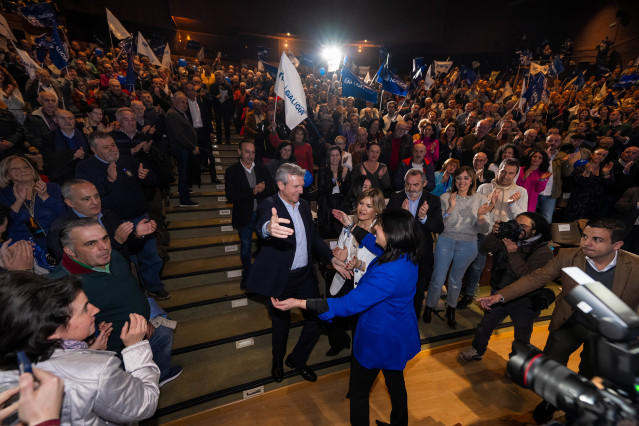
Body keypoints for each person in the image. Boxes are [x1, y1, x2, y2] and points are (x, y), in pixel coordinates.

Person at [478, 218, 639, 423]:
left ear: (617, 245)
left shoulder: (635, 266)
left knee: (589, 376)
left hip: (605, 335)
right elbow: (536, 278)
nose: (586, 243)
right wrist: (500, 296)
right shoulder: (568, 255)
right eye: (585, 236)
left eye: (597, 239)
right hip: (568, 323)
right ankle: (551, 401)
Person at [272, 208, 422, 426]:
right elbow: (373, 243)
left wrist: (299, 303)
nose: (375, 228)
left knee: (359, 391)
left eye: (379, 226)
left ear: (392, 234)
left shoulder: (388, 273)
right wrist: (352, 226)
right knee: (396, 383)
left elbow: (347, 304)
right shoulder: (406, 254)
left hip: (379, 340)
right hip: (398, 334)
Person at [0, 272, 160, 424]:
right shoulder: (99, 371)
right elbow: (145, 402)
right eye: (84, 309)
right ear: (51, 331)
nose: (95, 310)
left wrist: (90, 351)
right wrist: (136, 347)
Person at [245, 163, 348, 383]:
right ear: (281, 185)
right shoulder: (269, 204)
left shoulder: (302, 206)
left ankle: (297, 359)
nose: (301, 191)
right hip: (282, 279)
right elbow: (263, 224)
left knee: (317, 318)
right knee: (281, 325)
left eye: (302, 186)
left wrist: (332, 260)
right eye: (296, 186)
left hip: (304, 276)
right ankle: (277, 362)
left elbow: (314, 238)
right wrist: (267, 229)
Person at [49, 218, 182, 387]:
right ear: (71, 251)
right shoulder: (62, 286)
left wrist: (143, 320)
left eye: (105, 238)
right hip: (117, 353)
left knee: (164, 334)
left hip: (144, 329)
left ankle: (161, 376)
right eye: (91, 243)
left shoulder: (113, 257)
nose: (104, 247)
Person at [458, 212, 554, 362]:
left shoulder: (544, 252)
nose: (517, 228)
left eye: (522, 226)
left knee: (521, 336)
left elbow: (530, 279)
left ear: (534, 231)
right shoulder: (510, 238)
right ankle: (477, 350)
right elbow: (485, 248)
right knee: (485, 326)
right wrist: (494, 233)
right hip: (499, 293)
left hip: (525, 300)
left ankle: (516, 363)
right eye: (515, 224)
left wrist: (514, 254)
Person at [424, 166, 493, 328]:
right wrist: (450, 208)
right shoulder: (446, 197)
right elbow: (440, 225)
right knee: (438, 278)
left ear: (472, 181)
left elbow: (485, 229)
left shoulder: (481, 200)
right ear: (455, 180)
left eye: (466, 178)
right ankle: (429, 306)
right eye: (459, 178)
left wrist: (481, 216)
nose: (462, 181)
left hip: (468, 244)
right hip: (446, 241)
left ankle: (451, 310)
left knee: (456, 281)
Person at [458, 158, 529, 309]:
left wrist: (512, 204)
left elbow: (522, 219)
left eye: (511, 173)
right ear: (498, 170)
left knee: (500, 269)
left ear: (516, 174)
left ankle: (494, 298)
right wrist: (489, 205)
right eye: (503, 171)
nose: (506, 176)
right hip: (484, 232)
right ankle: (469, 295)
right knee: (476, 266)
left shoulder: (521, 192)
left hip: (506, 236)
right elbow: (475, 212)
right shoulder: (484, 188)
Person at [327, 188, 385, 356]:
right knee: (333, 314)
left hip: (363, 283)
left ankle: (358, 355)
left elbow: (379, 264)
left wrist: (359, 264)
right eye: (361, 203)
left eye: (369, 205)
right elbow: (340, 244)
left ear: (377, 209)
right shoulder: (350, 221)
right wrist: (341, 255)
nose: (362, 209)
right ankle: (339, 342)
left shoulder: (380, 230)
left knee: (358, 323)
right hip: (344, 276)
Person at [388, 168, 444, 320]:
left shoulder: (433, 200)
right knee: (398, 287)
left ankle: (414, 318)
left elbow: (439, 227)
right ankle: (398, 317)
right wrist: (401, 215)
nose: (411, 189)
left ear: (424, 183)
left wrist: (424, 218)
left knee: (419, 289)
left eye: (415, 185)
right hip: (398, 252)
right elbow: (387, 225)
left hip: (422, 253)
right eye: (408, 184)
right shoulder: (396, 198)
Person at [225, 140, 275, 287]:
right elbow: (231, 194)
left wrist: (262, 189)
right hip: (244, 216)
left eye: (253, 152)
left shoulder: (261, 168)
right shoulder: (232, 171)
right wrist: (252, 191)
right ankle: (247, 275)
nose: (250, 155)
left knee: (265, 246)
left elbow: (271, 188)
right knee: (246, 248)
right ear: (239, 152)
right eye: (247, 151)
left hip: (262, 215)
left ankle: (264, 274)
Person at [0, 156, 65, 265]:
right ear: (7, 175)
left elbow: (63, 214)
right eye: (15, 169)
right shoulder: (4, 195)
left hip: (53, 246)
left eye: (26, 167)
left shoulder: (52, 188)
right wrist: (18, 201)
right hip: (21, 249)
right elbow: (5, 226)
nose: (23, 170)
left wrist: (45, 197)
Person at [165, 92, 200, 207]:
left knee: (185, 173)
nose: (185, 105)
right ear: (174, 102)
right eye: (182, 102)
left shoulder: (179, 113)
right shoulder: (173, 114)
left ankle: (185, 192)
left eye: (186, 102)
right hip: (182, 149)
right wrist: (192, 146)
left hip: (185, 149)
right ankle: (184, 200)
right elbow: (178, 135)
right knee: (183, 174)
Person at [563, 148, 614, 222]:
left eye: (604, 156)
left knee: (591, 223)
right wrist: (587, 172)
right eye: (598, 154)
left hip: (596, 201)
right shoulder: (581, 166)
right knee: (575, 221)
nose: (600, 157)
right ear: (592, 154)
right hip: (579, 200)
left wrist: (606, 173)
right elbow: (580, 182)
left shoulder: (606, 168)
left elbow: (609, 184)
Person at [317, 145, 351, 238]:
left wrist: (343, 179)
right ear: (328, 157)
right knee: (328, 232)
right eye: (332, 155)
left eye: (337, 155)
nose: (335, 158)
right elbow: (322, 190)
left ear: (340, 156)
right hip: (327, 205)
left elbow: (347, 191)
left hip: (340, 204)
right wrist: (333, 180)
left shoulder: (344, 170)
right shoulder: (323, 170)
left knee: (340, 233)